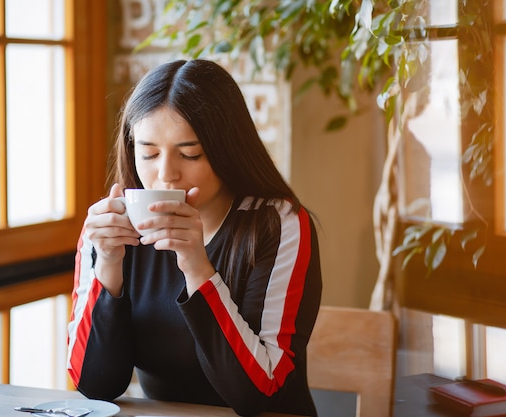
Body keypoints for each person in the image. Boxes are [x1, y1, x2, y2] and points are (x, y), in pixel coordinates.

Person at [67, 59, 322, 417]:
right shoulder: (112, 225)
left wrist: (197, 267)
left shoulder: (277, 224)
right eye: (149, 153)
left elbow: (258, 392)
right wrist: (108, 264)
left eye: (190, 154)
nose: (166, 175)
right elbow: (95, 386)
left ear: (227, 149)